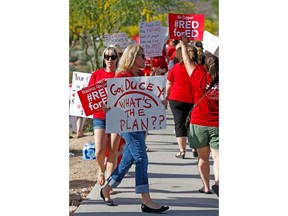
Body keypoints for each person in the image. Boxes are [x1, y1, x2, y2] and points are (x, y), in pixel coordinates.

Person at [100, 44, 169, 213]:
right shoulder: (123, 75)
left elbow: (146, 100)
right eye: (141, 55)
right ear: (132, 57)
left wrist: (160, 103)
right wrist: (106, 106)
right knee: (141, 158)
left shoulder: (141, 75)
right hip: (127, 124)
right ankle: (146, 200)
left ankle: (107, 188)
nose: (144, 58)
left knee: (128, 160)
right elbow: (115, 100)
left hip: (139, 124)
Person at [180, 35, 219, 196]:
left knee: (203, 158)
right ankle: (219, 183)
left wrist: (183, 45)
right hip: (218, 124)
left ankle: (206, 187)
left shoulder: (197, 74)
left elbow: (187, 62)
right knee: (218, 158)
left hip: (199, 123)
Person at [87, 46, 122, 188]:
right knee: (99, 151)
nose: (109, 59)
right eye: (107, 57)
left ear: (117, 59)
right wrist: (99, 104)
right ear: (103, 58)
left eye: (113, 57)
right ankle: (101, 170)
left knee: (113, 149)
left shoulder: (120, 75)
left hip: (117, 115)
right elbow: (89, 97)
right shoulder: (96, 75)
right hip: (100, 115)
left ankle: (109, 181)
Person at [166, 45, 199, 159]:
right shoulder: (197, 68)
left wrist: (167, 95)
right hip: (193, 99)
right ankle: (195, 148)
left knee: (179, 124)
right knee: (192, 124)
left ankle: (182, 151)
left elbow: (169, 83)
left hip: (176, 98)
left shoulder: (176, 67)